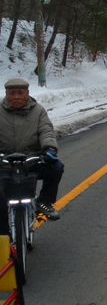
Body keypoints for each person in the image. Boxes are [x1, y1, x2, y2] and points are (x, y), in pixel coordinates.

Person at [0, 78, 63, 230]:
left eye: (20, 93)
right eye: (12, 93)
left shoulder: (38, 111)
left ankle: (44, 202)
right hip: (4, 162)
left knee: (56, 167)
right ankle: (4, 238)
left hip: (31, 160)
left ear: (27, 93)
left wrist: (49, 149)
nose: (16, 96)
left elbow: (46, 131)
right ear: (6, 94)